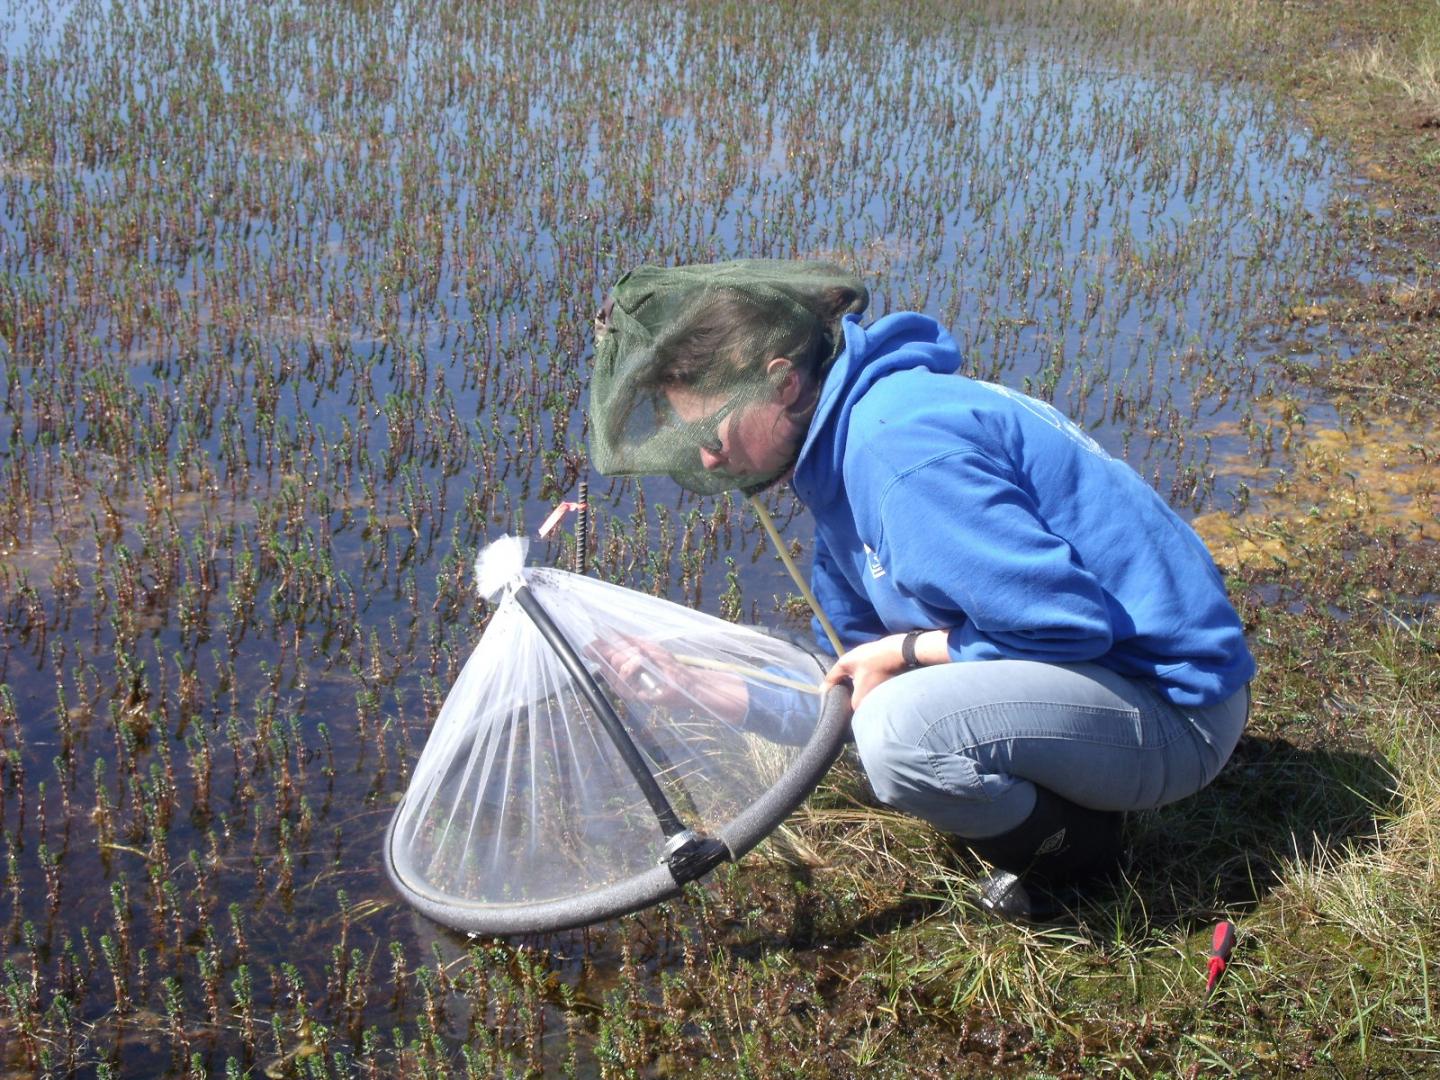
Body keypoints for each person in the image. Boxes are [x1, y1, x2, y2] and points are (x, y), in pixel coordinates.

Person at [588, 260, 1254, 921]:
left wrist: (906, 652)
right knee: (885, 704)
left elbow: (1066, 626)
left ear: (784, 383)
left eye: (710, 432)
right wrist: (699, 687)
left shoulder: (894, 452)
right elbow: (845, 675)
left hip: (1178, 712)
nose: (705, 460)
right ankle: (1058, 804)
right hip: (1106, 682)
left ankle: (1078, 857)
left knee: (901, 734)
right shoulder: (839, 452)